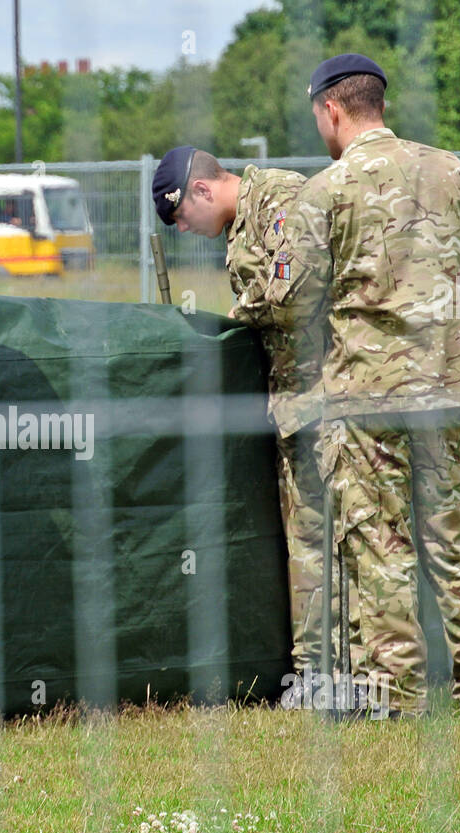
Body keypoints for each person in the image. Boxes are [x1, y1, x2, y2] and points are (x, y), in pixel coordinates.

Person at [274, 53, 460, 716]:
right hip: (448, 385)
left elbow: (295, 297)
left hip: (369, 396)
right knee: (456, 536)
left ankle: (399, 694)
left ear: (331, 110)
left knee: (381, 544)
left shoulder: (326, 191)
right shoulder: (450, 169)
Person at [151, 147, 347, 700]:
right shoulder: (243, 224)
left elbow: (298, 290)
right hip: (296, 404)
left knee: (332, 536)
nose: (185, 230)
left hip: (327, 398)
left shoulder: (280, 198)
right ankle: (316, 670)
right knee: (309, 536)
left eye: (182, 217)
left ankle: (338, 671)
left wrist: (239, 316)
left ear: (202, 191)